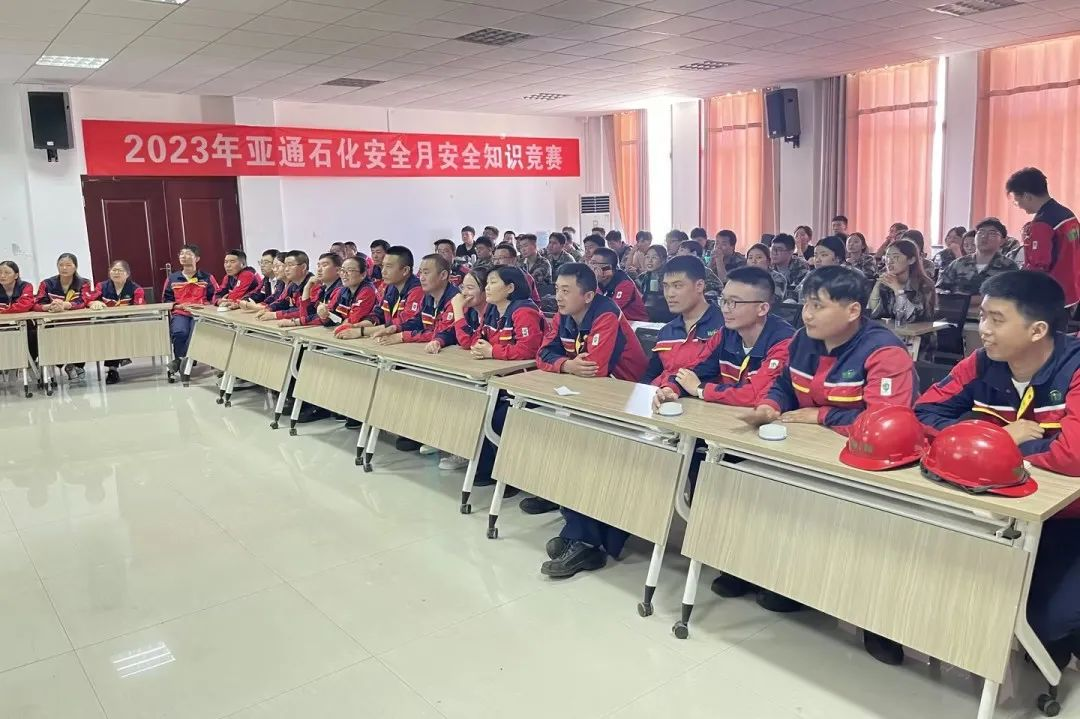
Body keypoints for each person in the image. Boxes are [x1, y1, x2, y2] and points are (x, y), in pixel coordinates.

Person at [915, 270, 1080, 668]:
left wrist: (990, 447)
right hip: (1004, 509)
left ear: (1038, 330)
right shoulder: (981, 363)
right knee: (954, 587)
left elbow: (1072, 456)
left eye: (996, 319)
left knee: (1045, 619)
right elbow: (924, 413)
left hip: (1069, 516)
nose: (983, 329)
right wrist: (999, 439)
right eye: (983, 316)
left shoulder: (1074, 367)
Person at [536, 263, 649, 576]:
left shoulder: (605, 313)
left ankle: (585, 541)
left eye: (565, 290)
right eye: (556, 289)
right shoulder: (563, 316)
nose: (558, 297)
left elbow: (595, 369)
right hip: (591, 397)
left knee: (588, 455)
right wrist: (567, 365)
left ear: (587, 295)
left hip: (628, 401)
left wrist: (567, 365)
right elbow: (542, 355)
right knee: (567, 445)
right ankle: (577, 530)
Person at [745, 264, 917, 435]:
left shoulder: (885, 353)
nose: (807, 315)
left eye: (817, 306)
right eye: (806, 304)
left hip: (864, 445)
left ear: (853, 311)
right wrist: (770, 405)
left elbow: (883, 422)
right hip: (809, 439)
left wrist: (824, 415)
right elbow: (785, 386)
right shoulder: (802, 339)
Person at [459, 266, 545, 477]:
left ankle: (510, 475)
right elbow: (471, 341)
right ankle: (484, 467)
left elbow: (528, 350)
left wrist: (492, 351)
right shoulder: (491, 310)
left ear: (510, 288)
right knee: (470, 403)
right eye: (487, 283)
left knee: (497, 418)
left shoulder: (524, 311)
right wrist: (479, 346)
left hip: (525, 385)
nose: (487, 288)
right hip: (499, 380)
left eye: (493, 283)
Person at [672, 266, 794, 408]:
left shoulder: (784, 342)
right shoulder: (725, 334)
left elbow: (758, 394)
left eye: (733, 302)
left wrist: (701, 389)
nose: (725, 309)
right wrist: (671, 389)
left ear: (762, 308)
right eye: (723, 300)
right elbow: (693, 371)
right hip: (730, 415)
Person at [643, 256, 726, 406]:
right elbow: (650, 374)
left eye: (677, 286)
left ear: (699, 286)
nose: (669, 294)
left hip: (704, 406)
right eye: (666, 286)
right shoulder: (666, 331)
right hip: (663, 402)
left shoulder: (724, 326)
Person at [1007, 167, 1080, 307]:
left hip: (1051, 295)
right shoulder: (1068, 215)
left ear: (1027, 196)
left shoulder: (1042, 223)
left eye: (1017, 201)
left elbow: (1038, 267)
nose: (1019, 206)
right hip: (1072, 290)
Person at [342, 245, 423, 340]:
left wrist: (362, 331)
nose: (383, 271)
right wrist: (357, 326)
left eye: (389, 267)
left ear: (405, 270)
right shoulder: (390, 287)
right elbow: (378, 314)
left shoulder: (418, 290)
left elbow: (405, 323)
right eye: (383, 266)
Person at [378, 254, 459, 347]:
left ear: (443, 275)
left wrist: (403, 336)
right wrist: (397, 328)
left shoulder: (455, 300)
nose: (421, 278)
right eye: (420, 273)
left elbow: (442, 333)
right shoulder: (428, 296)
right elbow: (418, 322)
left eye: (426, 273)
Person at [86, 260, 145, 384]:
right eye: (114, 270)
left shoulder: (136, 289)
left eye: (120, 270)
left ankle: (112, 369)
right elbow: (89, 300)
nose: (116, 273)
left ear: (127, 273)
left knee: (115, 332)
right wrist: (94, 303)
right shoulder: (101, 286)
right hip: (104, 324)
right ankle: (119, 361)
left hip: (127, 324)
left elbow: (139, 308)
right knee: (110, 332)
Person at [35, 252, 91, 380]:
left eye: (68, 265)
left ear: (75, 267)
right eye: (61, 265)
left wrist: (65, 305)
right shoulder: (46, 284)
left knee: (80, 335)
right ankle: (63, 363)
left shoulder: (84, 283)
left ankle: (76, 365)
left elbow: (83, 302)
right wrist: (49, 307)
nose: (64, 268)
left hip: (76, 323)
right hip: (53, 323)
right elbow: (37, 304)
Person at [162, 244, 216, 372]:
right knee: (179, 332)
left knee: (195, 333)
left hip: (201, 313)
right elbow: (166, 299)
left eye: (188, 254)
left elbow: (215, 296)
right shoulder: (172, 278)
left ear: (197, 258)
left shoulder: (207, 277)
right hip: (180, 312)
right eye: (181, 254)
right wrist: (177, 306)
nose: (183, 256)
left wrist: (204, 306)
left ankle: (180, 362)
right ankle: (183, 360)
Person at [937, 218, 1019, 297]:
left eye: (992, 233)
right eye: (980, 232)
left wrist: (976, 300)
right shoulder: (958, 264)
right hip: (957, 306)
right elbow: (939, 290)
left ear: (1002, 241)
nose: (984, 236)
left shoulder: (1009, 267)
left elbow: (1014, 297)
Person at [868, 239, 936, 324]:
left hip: (918, 331)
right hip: (894, 330)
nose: (890, 261)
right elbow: (874, 314)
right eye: (887, 257)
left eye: (895, 257)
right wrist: (877, 285)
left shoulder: (924, 285)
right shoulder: (887, 284)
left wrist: (898, 290)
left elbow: (912, 317)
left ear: (911, 260)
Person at [588, 247, 648, 321]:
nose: (591, 268)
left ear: (608, 267)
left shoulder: (625, 284)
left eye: (594, 263)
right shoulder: (600, 282)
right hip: (616, 321)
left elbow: (610, 310)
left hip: (637, 323)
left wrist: (594, 282)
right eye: (591, 263)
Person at [255, 250, 315, 324]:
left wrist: (275, 315)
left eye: (290, 265)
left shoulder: (313, 284)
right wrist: (268, 309)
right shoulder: (292, 283)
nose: (286, 269)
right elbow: (281, 301)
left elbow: (308, 311)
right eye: (285, 265)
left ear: (303, 267)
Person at [290, 252, 344, 328]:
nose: (319, 269)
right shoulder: (322, 289)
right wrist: (307, 288)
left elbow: (329, 318)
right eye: (318, 266)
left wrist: (297, 322)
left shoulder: (341, 289)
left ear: (338, 270)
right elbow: (306, 314)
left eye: (324, 265)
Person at [332, 255, 379, 329]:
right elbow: (331, 314)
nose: (344, 274)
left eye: (350, 270)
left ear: (363, 274)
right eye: (342, 270)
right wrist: (323, 313)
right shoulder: (343, 290)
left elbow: (354, 320)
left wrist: (343, 322)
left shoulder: (368, 291)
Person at [770, 233, 811, 303]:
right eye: (773, 249)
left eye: (779, 250)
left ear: (791, 251)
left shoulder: (801, 265)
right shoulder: (768, 265)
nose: (774, 253)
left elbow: (800, 292)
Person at [636, 244, 672, 323]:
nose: (650, 261)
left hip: (667, 317)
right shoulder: (642, 277)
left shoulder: (670, 277)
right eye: (647, 257)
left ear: (663, 260)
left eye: (654, 257)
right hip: (646, 317)